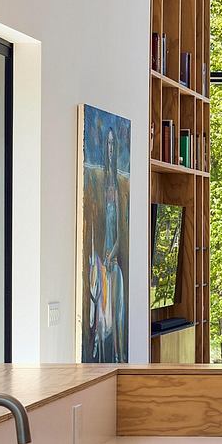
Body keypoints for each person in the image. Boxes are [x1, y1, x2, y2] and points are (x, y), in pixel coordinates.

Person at [87, 125, 127, 361]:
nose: (111, 148)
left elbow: (120, 232)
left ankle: (119, 355)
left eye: (113, 143)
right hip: (102, 260)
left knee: (116, 312)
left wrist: (112, 255)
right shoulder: (98, 182)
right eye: (108, 143)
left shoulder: (118, 186)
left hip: (112, 261)